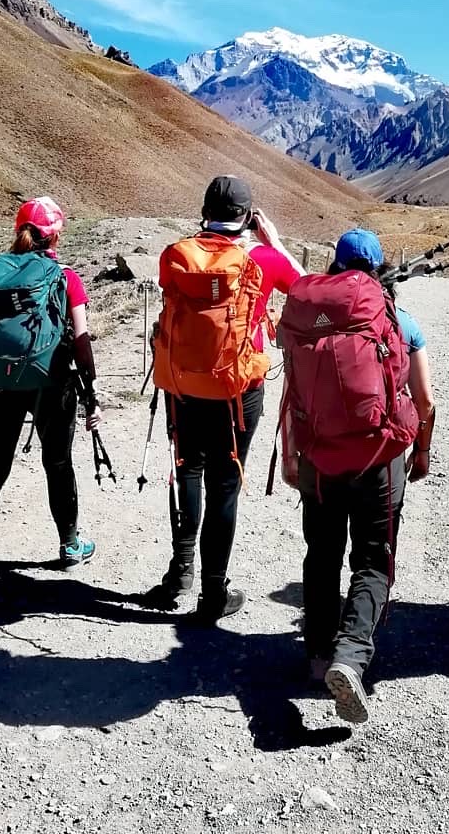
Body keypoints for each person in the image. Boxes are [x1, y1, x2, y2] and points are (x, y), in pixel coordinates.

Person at [280, 230, 435, 724]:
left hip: (319, 460)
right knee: (372, 559)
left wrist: (291, 457)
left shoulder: (308, 318)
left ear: (334, 262)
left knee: (321, 555)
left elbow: (293, 396)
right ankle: (351, 657)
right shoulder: (397, 319)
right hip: (378, 459)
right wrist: (423, 450)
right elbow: (425, 402)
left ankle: (318, 655)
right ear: (377, 267)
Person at [146, 176, 303, 622]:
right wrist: (275, 242)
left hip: (182, 384)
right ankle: (214, 592)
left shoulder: (177, 255)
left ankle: (180, 573)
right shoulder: (263, 258)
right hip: (237, 388)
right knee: (226, 482)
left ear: (204, 209)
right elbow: (310, 290)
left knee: (188, 470)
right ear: (249, 216)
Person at [0, 197, 101, 583]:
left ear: (21, 231)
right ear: (55, 234)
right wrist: (90, 391)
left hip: (0, 383)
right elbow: (81, 340)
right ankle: (69, 545)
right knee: (58, 462)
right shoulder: (65, 277)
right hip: (51, 382)